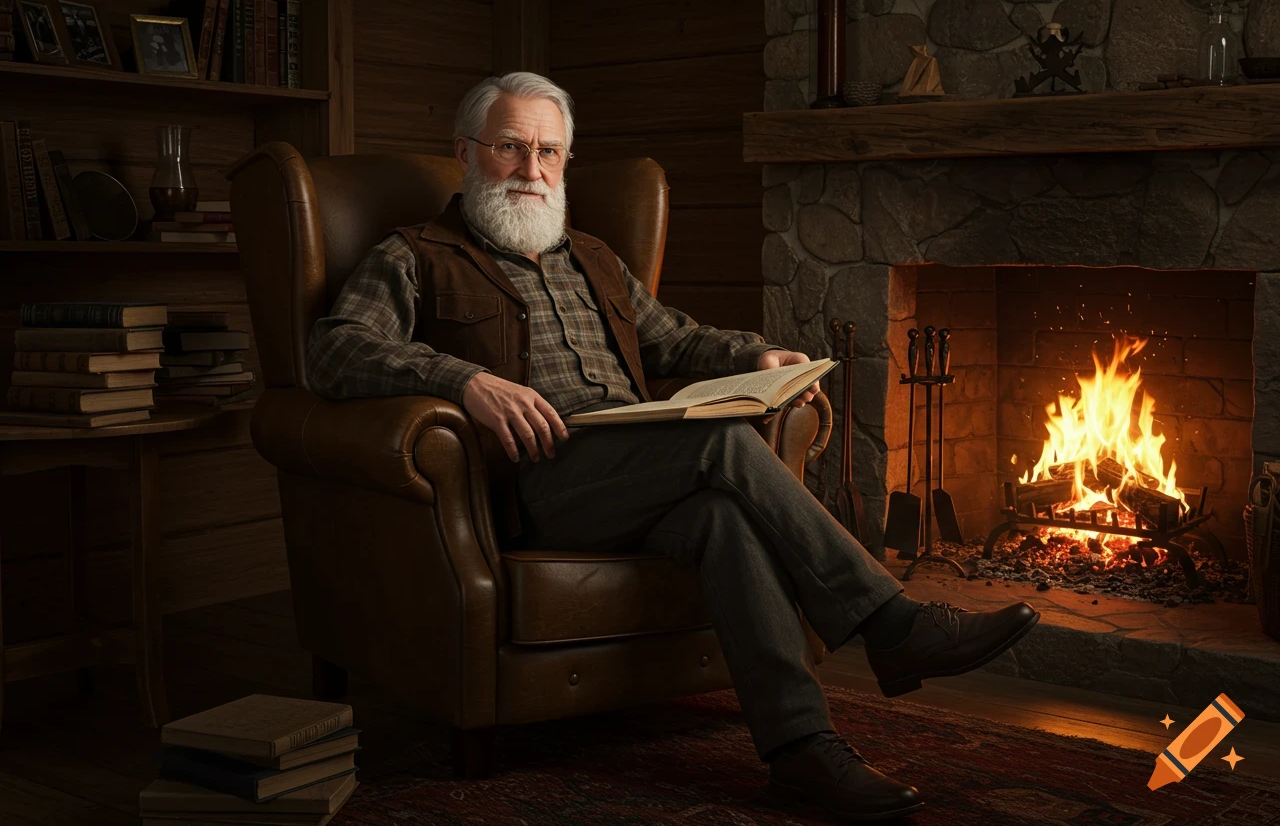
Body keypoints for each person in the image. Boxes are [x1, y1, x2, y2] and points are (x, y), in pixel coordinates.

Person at [306, 72, 1039, 823]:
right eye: (511, 149)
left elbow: (678, 339)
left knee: (722, 518)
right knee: (719, 443)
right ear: (467, 152)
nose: (532, 172)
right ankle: (891, 625)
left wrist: (756, 357)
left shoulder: (590, 256)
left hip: (636, 467)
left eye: (549, 153)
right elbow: (334, 351)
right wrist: (465, 381)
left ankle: (801, 751)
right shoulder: (416, 255)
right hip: (532, 480)